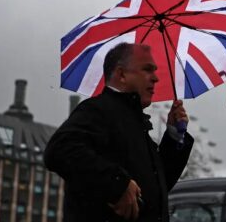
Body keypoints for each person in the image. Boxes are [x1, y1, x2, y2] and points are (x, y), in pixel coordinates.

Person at [44, 43, 194, 222]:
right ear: (122, 74)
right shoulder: (97, 110)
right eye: (147, 69)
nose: (155, 78)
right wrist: (117, 183)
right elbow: (59, 149)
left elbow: (157, 188)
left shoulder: (136, 124)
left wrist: (174, 136)